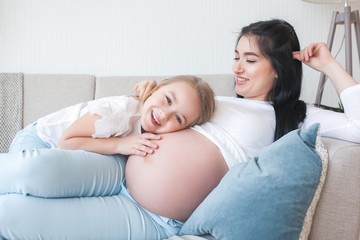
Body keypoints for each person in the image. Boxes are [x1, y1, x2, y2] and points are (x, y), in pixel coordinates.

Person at [0, 19, 359, 240]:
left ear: (278, 68)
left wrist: (329, 65)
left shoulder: (292, 114)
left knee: (14, 218)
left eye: (250, 60)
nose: (238, 68)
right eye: (236, 56)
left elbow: (357, 127)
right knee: (31, 169)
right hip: (119, 165)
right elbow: (166, 106)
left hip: (153, 217)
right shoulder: (216, 98)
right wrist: (148, 95)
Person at [9, 75, 216, 157]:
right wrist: (120, 145)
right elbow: (66, 142)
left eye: (178, 119)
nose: (164, 114)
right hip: (39, 140)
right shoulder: (121, 112)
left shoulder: (156, 129)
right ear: (156, 89)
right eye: (168, 100)